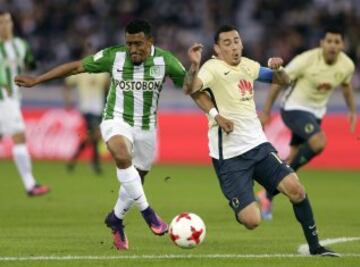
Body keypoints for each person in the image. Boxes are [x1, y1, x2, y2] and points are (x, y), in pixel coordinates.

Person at [15, 19, 187, 250]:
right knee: (121, 154)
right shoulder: (113, 56)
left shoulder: (165, 61)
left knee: (137, 178)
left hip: (147, 128)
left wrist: (211, 106)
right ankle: (149, 213)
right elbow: (76, 67)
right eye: (129, 44)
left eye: (138, 43)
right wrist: (38, 79)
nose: (133, 49)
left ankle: (116, 219)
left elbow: (189, 87)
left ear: (150, 41)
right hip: (115, 119)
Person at [183, 25, 339, 256]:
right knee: (252, 220)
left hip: (259, 146)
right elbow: (191, 88)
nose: (234, 46)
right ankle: (242, 200)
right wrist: (195, 65)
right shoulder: (212, 68)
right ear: (217, 48)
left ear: (242, 43)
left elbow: (282, 80)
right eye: (227, 43)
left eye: (236, 40)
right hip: (230, 157)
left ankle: (316, 247)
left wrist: (280, 68)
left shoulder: (248, 65)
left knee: (296, 189)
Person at [257, 26, 357, 220]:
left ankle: (267, 193)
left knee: (292, 159)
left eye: (337, 42)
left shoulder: (347, 66)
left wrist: (352, 110)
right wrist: (267, 111)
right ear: (322, 43)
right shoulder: (306, 60)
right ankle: (270, 190)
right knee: (319, 142)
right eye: (329, 41)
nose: (333, 46)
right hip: (294, 109)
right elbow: (279, 80)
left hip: (315, 114)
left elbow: (346, 86)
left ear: (342, 45)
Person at [0, 11, 49, 197]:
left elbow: (31, 64)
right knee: (19, 137)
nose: (4, 25)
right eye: (1, 22)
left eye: (7, 21)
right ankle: (31, 185)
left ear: (12, 23)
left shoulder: (21, 45)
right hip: (4, 99)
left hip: (13, 98)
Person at [64, 41, 110, 174]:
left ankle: (73, 159)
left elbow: (108, 88)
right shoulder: (80, 70)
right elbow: (67, 85)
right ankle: (95, 164)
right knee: (96, 134)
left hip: (99, 109)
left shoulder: (102, 71)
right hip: (86, 108)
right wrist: (68, 100)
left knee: (93, 137)